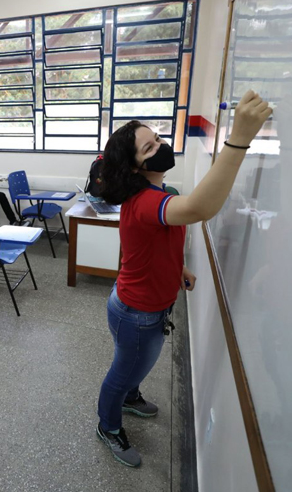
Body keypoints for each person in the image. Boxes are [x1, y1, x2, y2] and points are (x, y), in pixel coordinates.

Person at [94, 90, 271, 467]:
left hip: (136, 304)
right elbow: (200, 208)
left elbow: (145, 247)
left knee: (132, 366)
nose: (160, 145)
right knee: (122, 371)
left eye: (157, 138)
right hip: (137, 314)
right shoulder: (146, 202)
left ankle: (130, 396)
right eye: (149, 147)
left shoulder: (160, 192)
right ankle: (108, 426)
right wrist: (238, 138)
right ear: (136, 167)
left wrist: (179, 269)